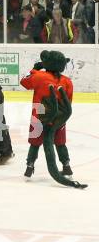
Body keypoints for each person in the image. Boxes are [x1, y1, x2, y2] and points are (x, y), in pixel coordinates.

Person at [20, 50, 74, 180]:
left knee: (35, 143)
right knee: (60, 143)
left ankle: (29, 166)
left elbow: (24, 82)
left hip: (39, 115)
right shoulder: (67, 81)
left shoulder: (39, 76)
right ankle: (66, 166)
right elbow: (69, 101)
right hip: (59, 118)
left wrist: (34, 69)